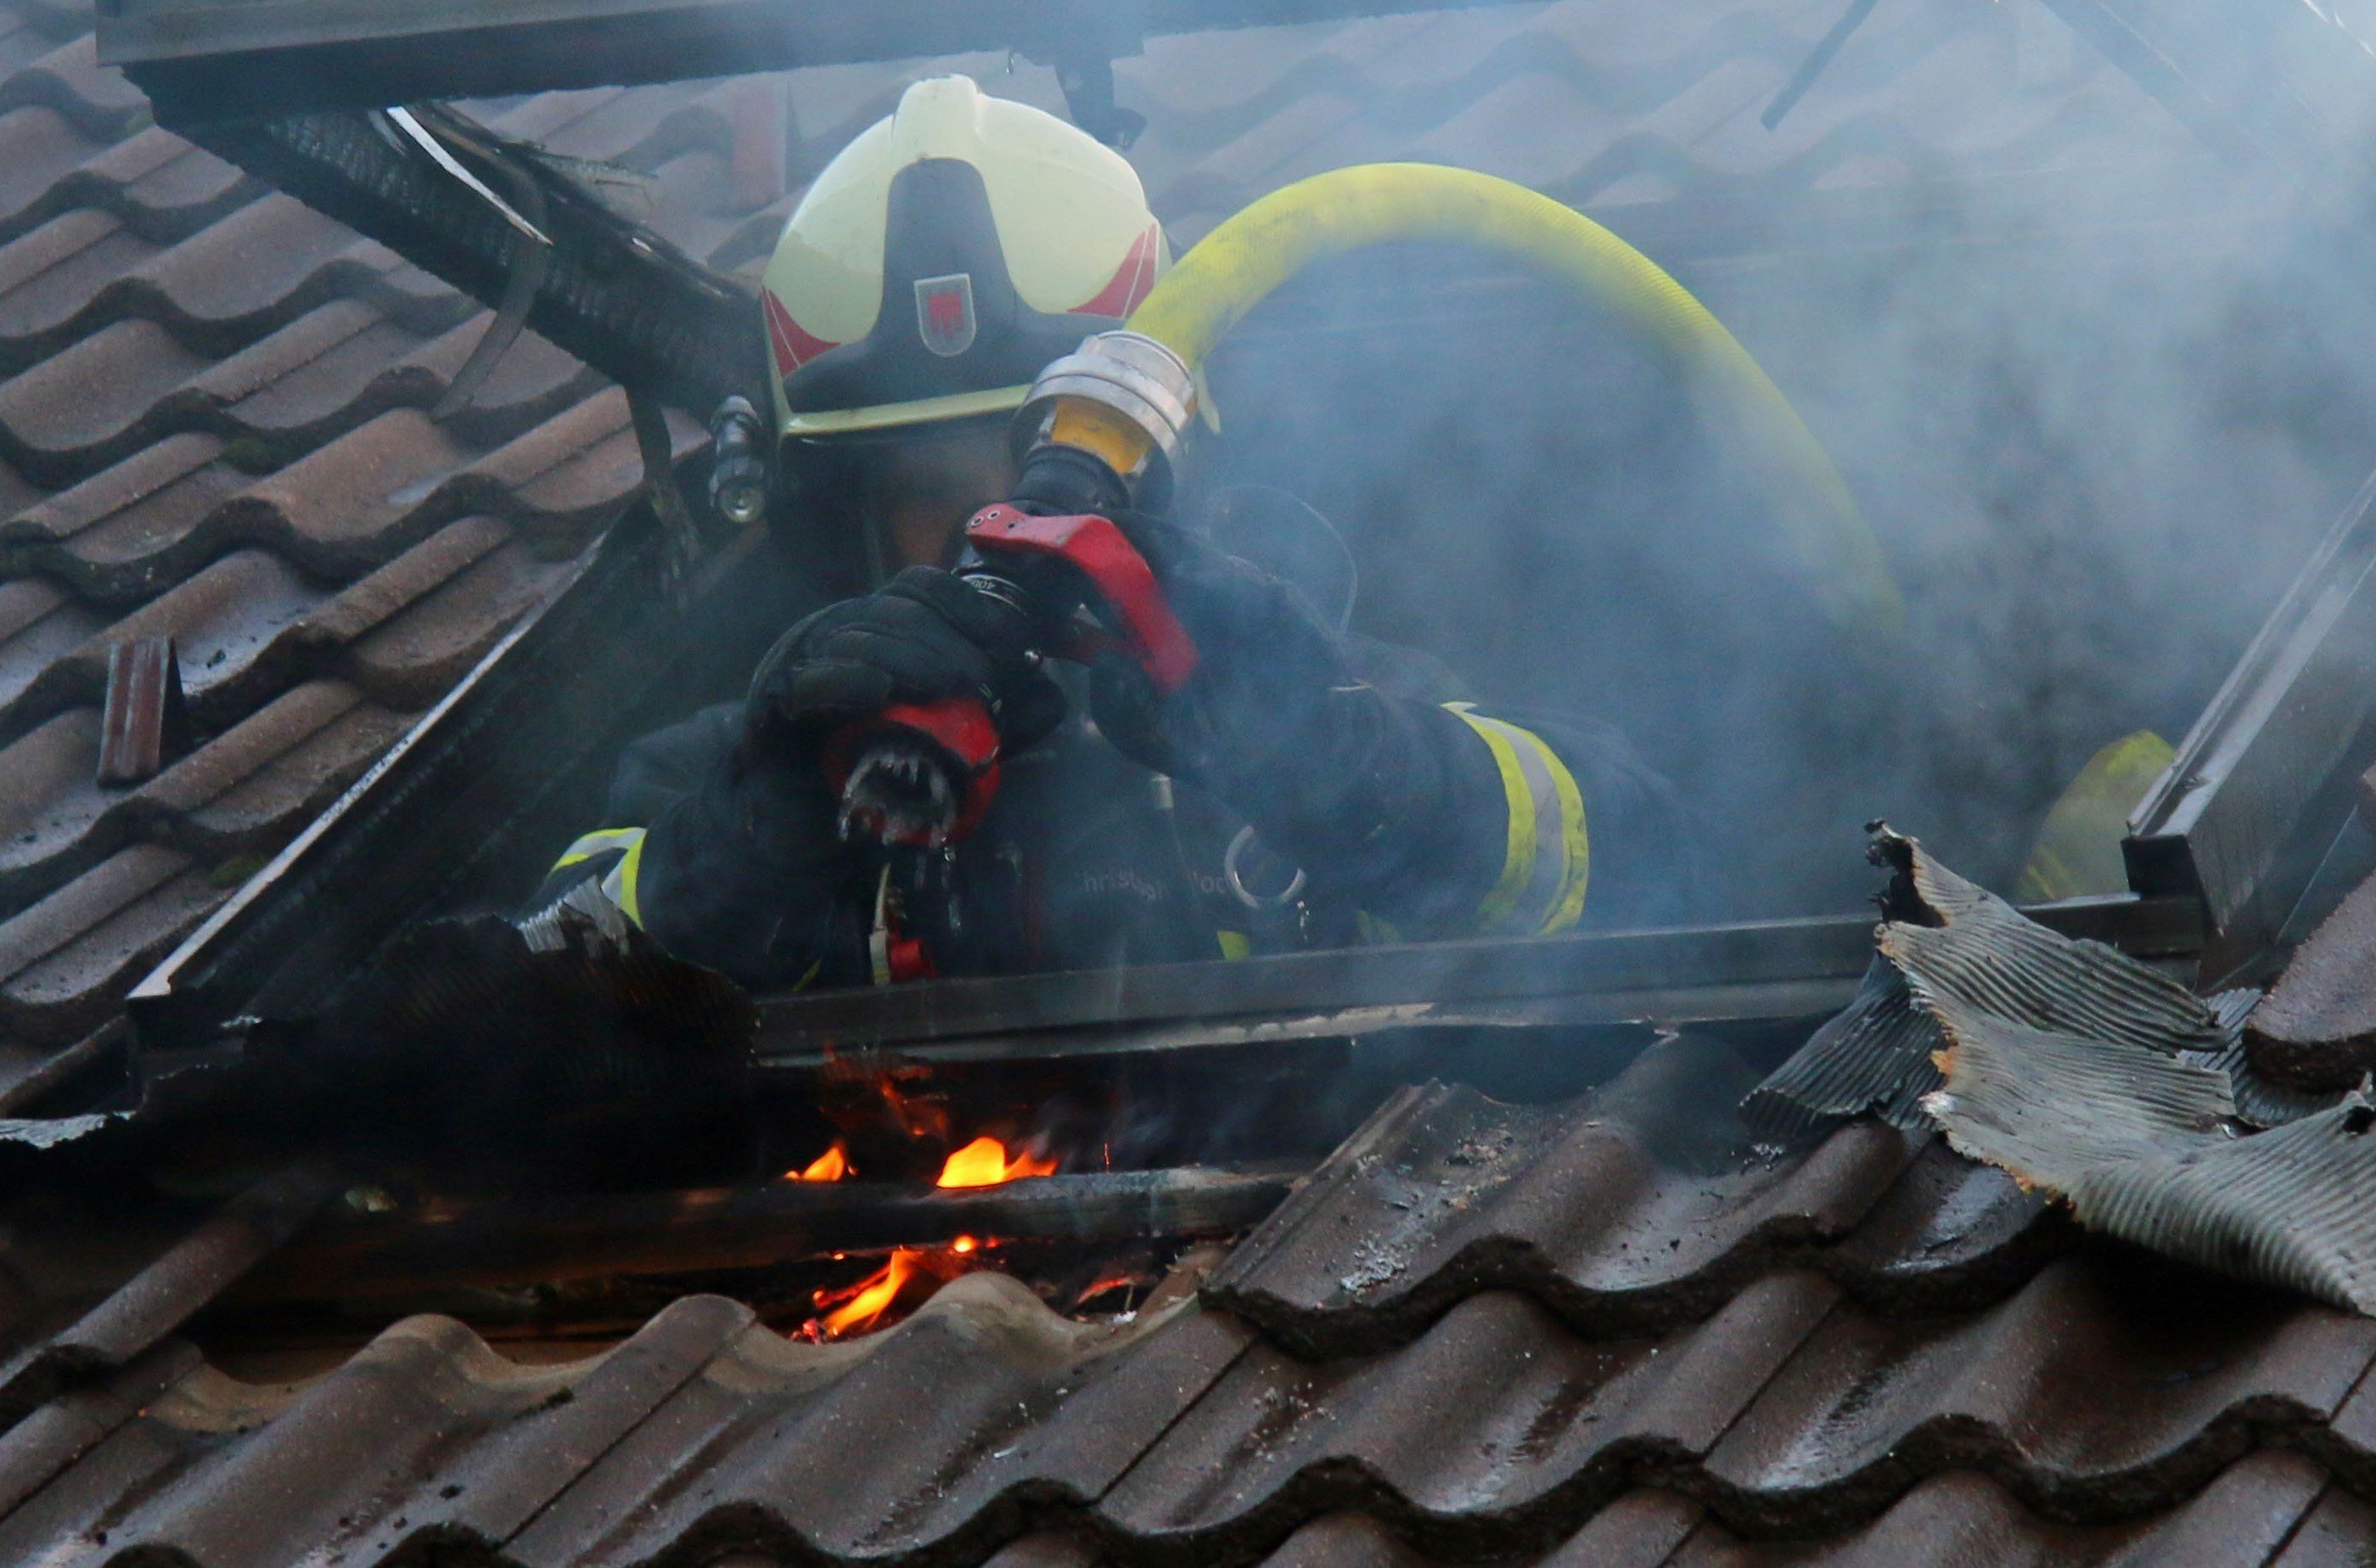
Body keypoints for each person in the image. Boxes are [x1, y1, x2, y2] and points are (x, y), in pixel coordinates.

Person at [522, 76, 1697, 992]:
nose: (1006, 531)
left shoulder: (1321, 703)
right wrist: (752, 839)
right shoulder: (724, 777)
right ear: (851, 527)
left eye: (1040, 474)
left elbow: (1652, 878)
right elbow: (503, 1020)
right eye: (937, 485)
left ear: (1170, 482)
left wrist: (1339, 762)